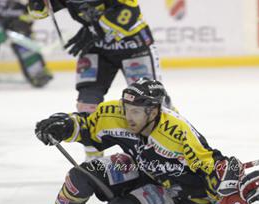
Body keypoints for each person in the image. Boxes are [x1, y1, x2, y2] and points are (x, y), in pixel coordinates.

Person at [29, 78, 242, 204]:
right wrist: (63, 125)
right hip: (137, 167)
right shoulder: (117, 114)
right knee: (82, 176)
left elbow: (211, 166)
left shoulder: (177, 133)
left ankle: (135, 202)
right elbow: (87, 126)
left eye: (136, 112)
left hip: (173, 191)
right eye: (127, 108)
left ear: (153, 111)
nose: (129, 117)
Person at [28, 0, 161, 160]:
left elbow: (130, 11)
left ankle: (167, 152)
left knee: (151, 103)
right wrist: (36, 3)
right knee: (87, 105)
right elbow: (39, 13)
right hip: (96, 47)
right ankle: (93, 159)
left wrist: (96, 30)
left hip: (134, 45)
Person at [0, 0, 52, 87]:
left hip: (16, 26)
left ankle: (38, 74)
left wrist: (24, 23)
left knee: (25, 47)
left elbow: (33, 13)